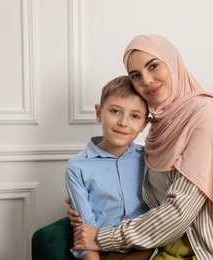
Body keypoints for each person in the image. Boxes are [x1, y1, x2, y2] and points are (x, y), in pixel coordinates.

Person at [67, 34, 213, 260]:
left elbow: (179, 212)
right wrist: (89, 206)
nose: (146, 80)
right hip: (164, 247)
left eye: (153, 66)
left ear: (173, 63)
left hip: (209, 249)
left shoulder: (207, 118)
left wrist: (101, 237)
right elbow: (148, 196)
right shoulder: (158, 128)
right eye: (136, 75)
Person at [65, 75, 153, 260]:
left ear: (144, 124)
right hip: (106, 251)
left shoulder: (150, 157)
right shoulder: (77, 167)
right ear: (99, 112)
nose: (123, 122)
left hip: (150, 247)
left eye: (135, 116)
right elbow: (84, 230)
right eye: (115, 111)